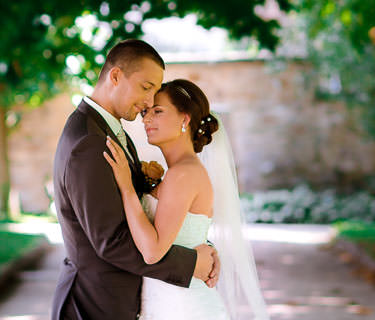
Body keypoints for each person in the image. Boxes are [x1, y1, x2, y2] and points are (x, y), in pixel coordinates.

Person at [51, 40, 219, 320]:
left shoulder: (110, 131)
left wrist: (200, 245)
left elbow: (158, 218)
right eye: (146, 87)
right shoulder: (89, 142)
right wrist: (191, 264)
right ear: (115, 76)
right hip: (94, 305)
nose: (150, 102)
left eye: (155, 95)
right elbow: (111, 242)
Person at [103, 78, 270, 320]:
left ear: (185, 118)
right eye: (146, 112)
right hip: (168, 299)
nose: (147, 119)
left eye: (158, 111)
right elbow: (185, 232)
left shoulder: (183, 174)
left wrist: (127, 188)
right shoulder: (180, 172)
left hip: (181, 307)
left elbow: (152, 253)